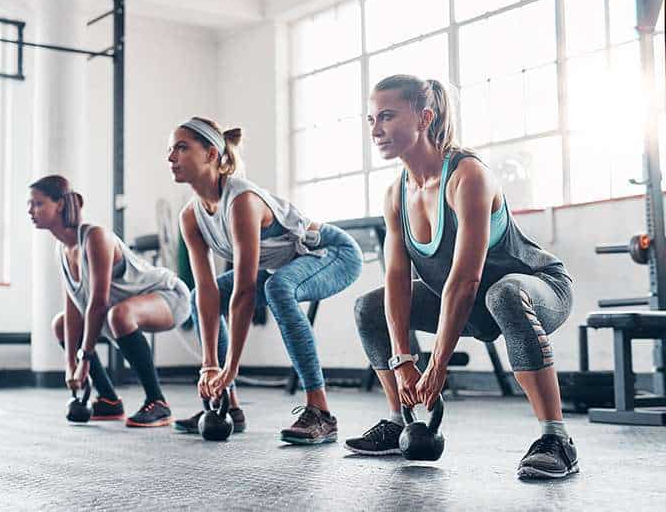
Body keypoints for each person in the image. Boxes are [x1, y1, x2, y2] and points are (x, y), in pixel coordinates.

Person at [344, 75, 578, 479]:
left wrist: (437, 366)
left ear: (424, 117)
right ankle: (401, 421)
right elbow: (398, 279)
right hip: (473, 303)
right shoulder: (395, 195)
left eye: (386, 116)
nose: (375, 129)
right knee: (368, 306)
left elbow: (465, 279)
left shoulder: (468, 177)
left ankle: (557, 439)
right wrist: (403, 361)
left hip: (536, 289)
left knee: (502, 294)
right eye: (370, 119)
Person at [168, 117, 363, 444]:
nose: (171, 157)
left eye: (182, 148)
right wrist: (210, 367)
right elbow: (207, 291)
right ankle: (227, 405)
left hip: (334, 253)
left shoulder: (242, 201)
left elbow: (244, 291)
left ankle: (321, 412)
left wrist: (231, 367)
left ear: (212, 154)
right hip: (290, 264)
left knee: (278, 288)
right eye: (170, 149)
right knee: (197, 297)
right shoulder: (191, 216)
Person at [28, 175, 191, 427]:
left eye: (37, 203)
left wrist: (84, 358)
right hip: (121, 308)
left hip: (170, 297)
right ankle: (108, 401)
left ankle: (158, 403)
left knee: (119, 314)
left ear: (59, 205)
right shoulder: (61, 249)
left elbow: (98, 302)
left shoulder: (95, 237)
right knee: (60, 323)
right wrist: (71, 363)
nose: (31, 210)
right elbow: (74, 309)